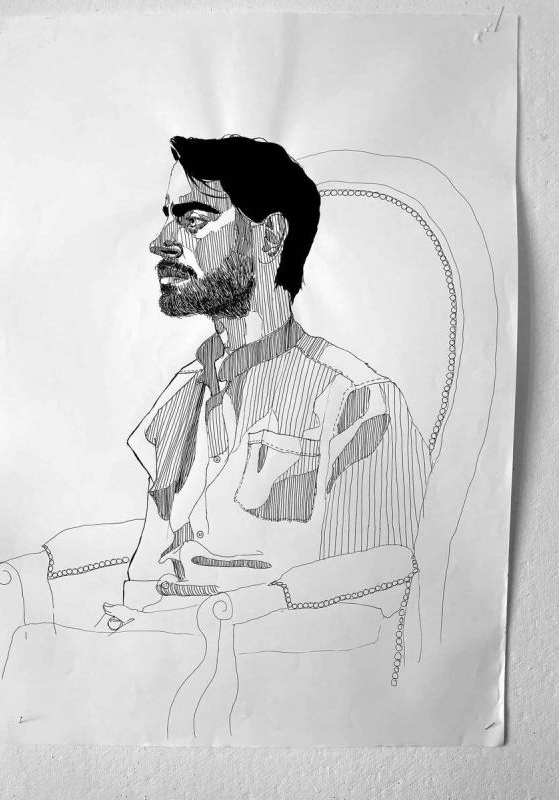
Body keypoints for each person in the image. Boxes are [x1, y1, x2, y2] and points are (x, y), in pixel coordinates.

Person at [95, 136, 430, 634]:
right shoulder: (184, 392)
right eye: (167, 217)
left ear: (270, 236)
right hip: (143, 649)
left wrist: (247, 612)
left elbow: (384, 582)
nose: (161, 241)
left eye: (193, 220)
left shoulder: (357, 399)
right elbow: (150, 564)